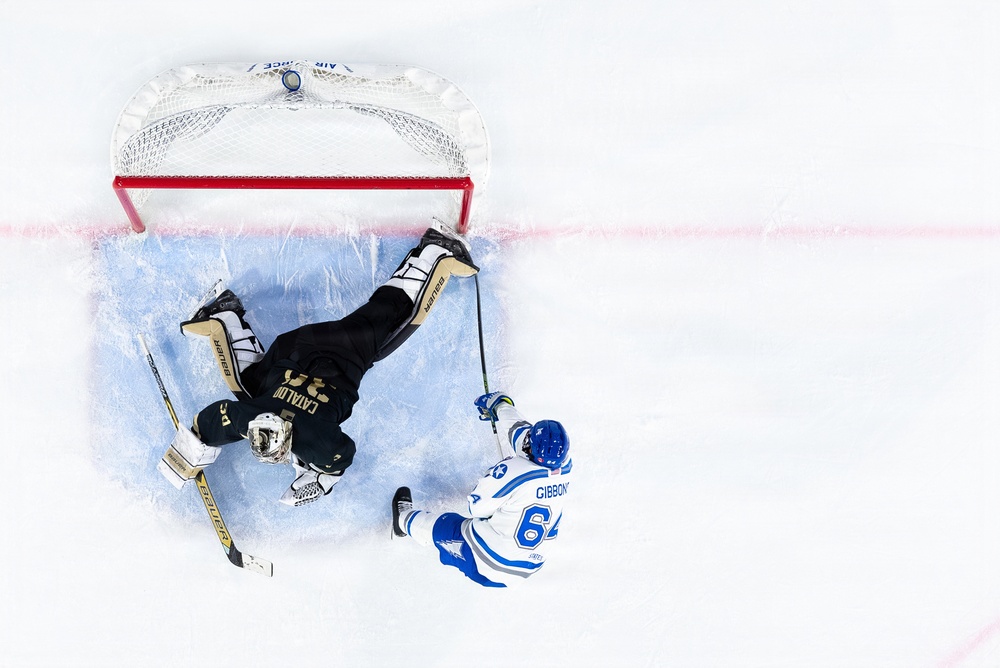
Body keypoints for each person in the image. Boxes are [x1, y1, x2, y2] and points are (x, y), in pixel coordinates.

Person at [157, 224, 478, 506]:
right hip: (295, 351)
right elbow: (207, 421)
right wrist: (188, 449)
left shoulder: (301, 436)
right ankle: (222, 317)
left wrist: (319, 480)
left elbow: (342, 456)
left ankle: (436, 252)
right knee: (248, 388)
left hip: (331, 353)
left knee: (390, 322)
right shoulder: (251, 419)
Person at [391, 392, 572, 587]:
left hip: (488, 562)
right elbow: (521, 435)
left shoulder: (514, 472)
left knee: (447, 525)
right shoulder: (565, 465)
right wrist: (500, 406)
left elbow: (476, 508)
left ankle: (401, 521)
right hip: (529, 567)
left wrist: (495, 477)